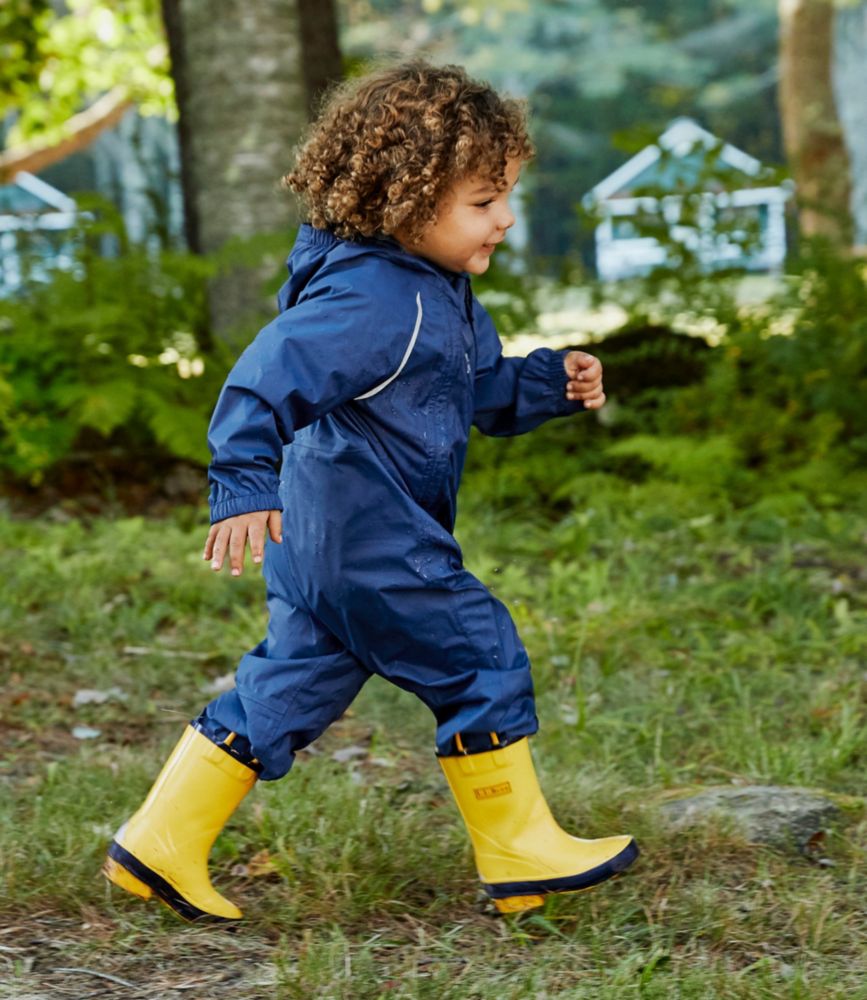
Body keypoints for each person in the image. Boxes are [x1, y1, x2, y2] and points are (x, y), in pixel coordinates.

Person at [103, 60, 638, 923]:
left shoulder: (431, 292)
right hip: (372, 539)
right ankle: (516, 850)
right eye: (481, 201)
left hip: (321, 547)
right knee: (478, 653)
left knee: (288, 685)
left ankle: (159, 841)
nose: (504, 217)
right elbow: (261, 380)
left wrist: (546, 384)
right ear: (403, 199)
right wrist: (242, 479)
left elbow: (462, 392)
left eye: (506, 195)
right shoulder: (377, 301)